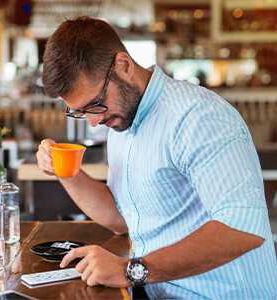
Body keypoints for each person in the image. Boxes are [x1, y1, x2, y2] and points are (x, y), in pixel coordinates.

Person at [36, 16, 277, 299]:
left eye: (95, 104)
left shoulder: (196, 116)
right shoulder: (120, 121)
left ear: (123, 66)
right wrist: (64, 169)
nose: (93, 121)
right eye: (80, 111)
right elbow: (121, 219)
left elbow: (242, 227)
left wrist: (131, 270)